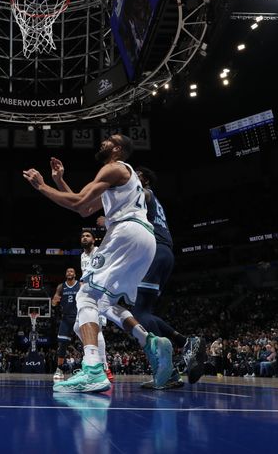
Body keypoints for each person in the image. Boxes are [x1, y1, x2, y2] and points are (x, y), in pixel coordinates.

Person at [24, 135, 173, 393]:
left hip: (126, 232)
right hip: (145, 239)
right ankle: (149, 342)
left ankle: (93, 369)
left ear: (117, 149)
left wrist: (42, 186)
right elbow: (84, 210)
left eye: (109, 140)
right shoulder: (121, 179)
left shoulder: (113, 167)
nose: (102, 141)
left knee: (85, 296)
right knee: (105, 303)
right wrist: (59, 180)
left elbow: (79, 202)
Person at [133, 167, 207, 388]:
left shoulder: (144, 193)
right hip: (165, 253)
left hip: (154, 251)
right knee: (145, 313)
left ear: (143, 179)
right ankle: (175, 363)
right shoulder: (154, 201)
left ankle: (179, 352)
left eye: (134, 173)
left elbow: (139, 200)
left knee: (137, 313)